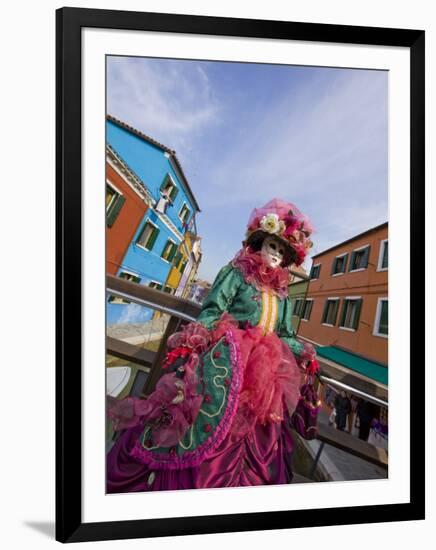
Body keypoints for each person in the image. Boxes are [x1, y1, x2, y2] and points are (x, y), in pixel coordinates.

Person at [106, 198, 320, 492]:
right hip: (229, 360)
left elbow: (284, 334)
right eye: (272, 246)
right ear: (260, 245)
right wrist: (196, 338)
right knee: (199, 418)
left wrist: (302, 351)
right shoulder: (237, 273)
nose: (275, 254)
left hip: (267, 374)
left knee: (260, 433)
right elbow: (212, 310)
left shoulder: (283, 294)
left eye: (282, 251)